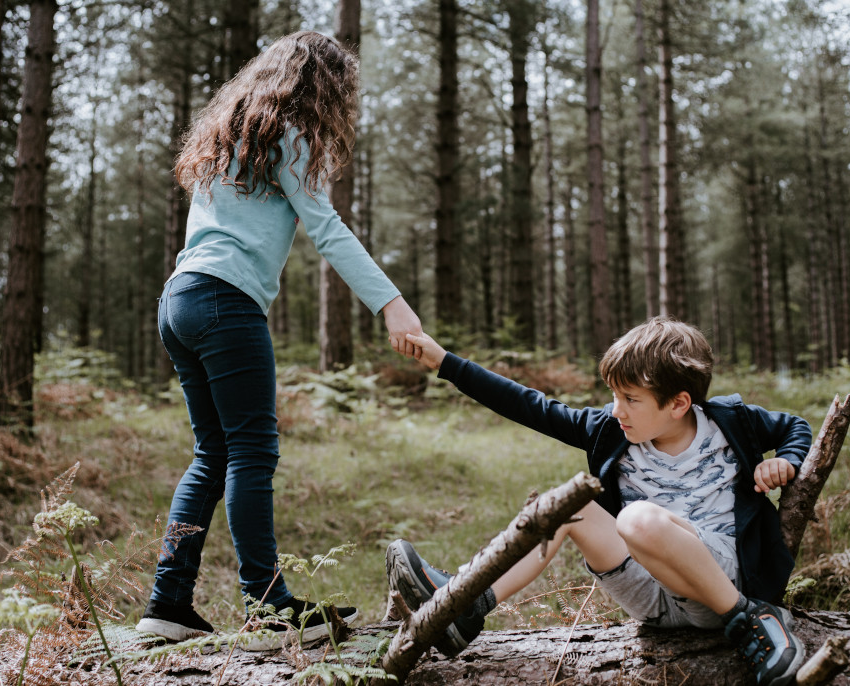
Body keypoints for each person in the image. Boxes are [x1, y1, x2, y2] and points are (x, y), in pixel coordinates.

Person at [135, 30, 422, 651]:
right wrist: (393, 306)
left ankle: (167, 603)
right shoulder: (289, 135)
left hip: (179, 300)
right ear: (318, 88)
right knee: (251, 452)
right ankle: (267, 609)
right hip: (223, 303)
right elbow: (328, 228)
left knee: (214, 452)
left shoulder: (229, 138)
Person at [388, 317, 810, 686]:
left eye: (631, 399)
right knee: (567, 505)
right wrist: (444, 362)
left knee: (637, 519)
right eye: (613, 395)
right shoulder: (610, 430)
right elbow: (527, 404)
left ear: (680, 403)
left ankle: (752, 619)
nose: (617, 410)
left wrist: (785, 462)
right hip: (653, 599)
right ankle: (467, 604)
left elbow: (796, 427)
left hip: (720, 583)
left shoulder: (730, 423)